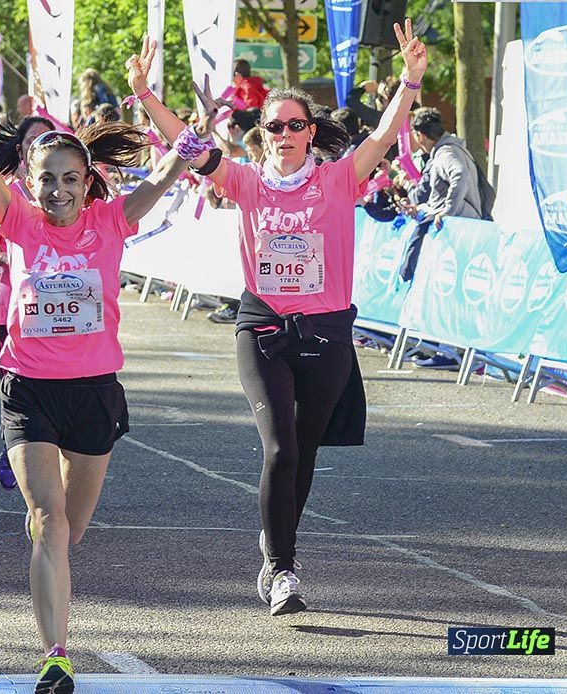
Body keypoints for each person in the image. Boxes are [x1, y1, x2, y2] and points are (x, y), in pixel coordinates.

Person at [0, 33, 207, 693]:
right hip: (29, 391)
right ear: (30, 182)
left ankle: (50, 579)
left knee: (69, 531)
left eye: (68, 180)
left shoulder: (113, 222)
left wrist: (146, 97)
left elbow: (183, 156)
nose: (55, 190)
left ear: (88, 185)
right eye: (45, 178)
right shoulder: (16, 220)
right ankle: (56, 655)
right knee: (48, 521)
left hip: (95, 395)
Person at [129, 22, 427, 616]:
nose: (285, 134)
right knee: (279, 450)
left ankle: (278, 534)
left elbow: (389, 130)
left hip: (326, 331)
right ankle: (282, 569)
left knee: (306, 451)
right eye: (274, 127)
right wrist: (145, 95)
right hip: (263, 328)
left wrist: (411, 79)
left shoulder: (339, 178)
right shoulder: (243, 181)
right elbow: (188, 146)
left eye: (296, 125)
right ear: (261, 136)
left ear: (311, 133)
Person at [0, 115, 54, 488]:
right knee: (21, 398)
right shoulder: (6, 197)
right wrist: (9, 256)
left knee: (59, 404)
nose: (43, 149)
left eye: (51, 141)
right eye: (35, 142)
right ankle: (15, 445)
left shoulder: (71, 195)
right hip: (12, 315)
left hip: (61, 318)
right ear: (21, 151)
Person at [397, 106, 483, 285]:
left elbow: (460, 175)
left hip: (459, 227)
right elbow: (439, 196)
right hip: (461, 224)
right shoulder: (448, 150)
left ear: (420, 135)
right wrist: (421, 209)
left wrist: (447, 211)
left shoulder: (446, 153)